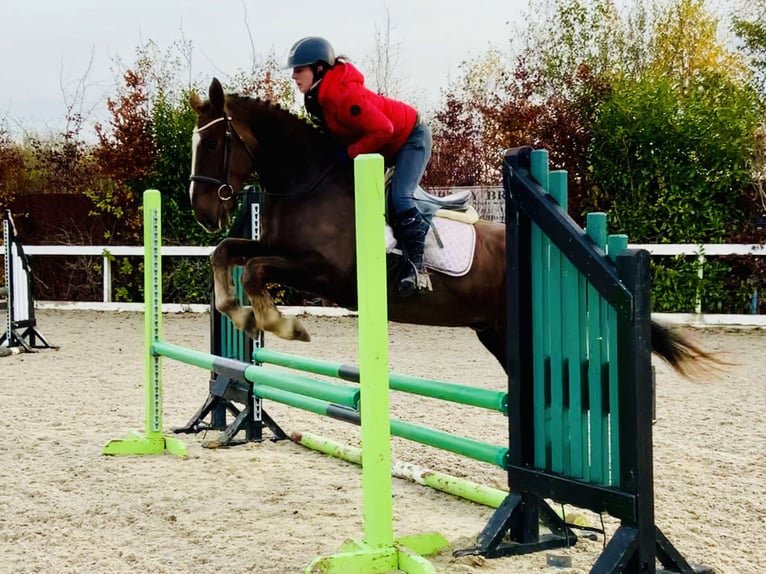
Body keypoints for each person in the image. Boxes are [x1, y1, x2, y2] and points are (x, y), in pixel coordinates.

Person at [286, 36, 433, 298]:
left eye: (299, 69)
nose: (294, 76)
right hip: (383, 145)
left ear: (319, 69)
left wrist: (349, 153)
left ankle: (418, 269)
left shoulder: (343, 94)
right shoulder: (318, 97)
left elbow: (384, 129)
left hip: (410, 138)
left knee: (401, 197)